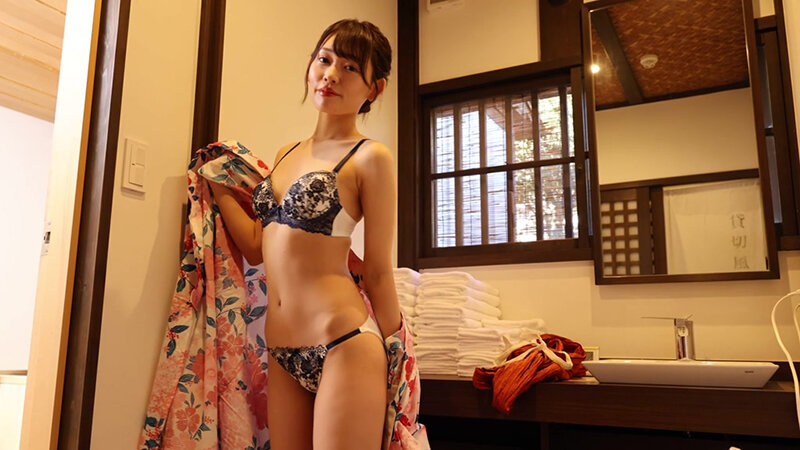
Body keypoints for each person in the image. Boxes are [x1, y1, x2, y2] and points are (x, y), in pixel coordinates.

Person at [210, 19, 400, 450]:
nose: (331, 74)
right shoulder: (286, 153)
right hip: (281, 350)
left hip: (344, 343)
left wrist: (398, 355)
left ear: (375, 88)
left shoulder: (370, 157)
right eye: (324, 59)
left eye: (350, 67)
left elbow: (378, 272)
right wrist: (220, 188)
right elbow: (257, 246)